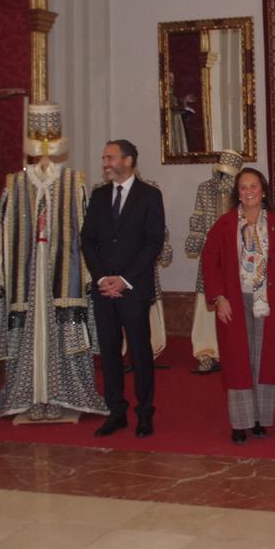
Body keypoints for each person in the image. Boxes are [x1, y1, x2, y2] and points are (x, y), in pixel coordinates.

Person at [0, 102, 108, 421]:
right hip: (26, 272)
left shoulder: (73, 181)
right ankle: (30, 394)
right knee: (30, 331)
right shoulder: (16, 184)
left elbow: (83, 229)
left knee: (61, 329)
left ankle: (62, 393)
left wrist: (86, 270)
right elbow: (3, 230)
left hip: (62, 271)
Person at [201, 168, 275, 443]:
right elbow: (210, 262)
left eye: (253, 186)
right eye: (243, 187)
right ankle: (240, 422)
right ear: (238, 193)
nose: (248, 191)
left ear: (262, 190)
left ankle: (261, 419)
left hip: (268, 302)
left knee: (264, 360)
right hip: (234, 299)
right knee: (238, 360)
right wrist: (219, 298)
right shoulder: (225, 224)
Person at [81, 140, 166, 438]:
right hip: (104, 290)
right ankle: (116, 411)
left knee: (140, 353)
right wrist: (103, 278)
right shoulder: (99, 195)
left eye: (110, 157)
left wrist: (125, 279)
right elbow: (87, 240)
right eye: (104, 157)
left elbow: (153, 242)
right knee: (109, 352)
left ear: (128, 160)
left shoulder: (150, 196)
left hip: (134, 289)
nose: (105, 163)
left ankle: (145, 413)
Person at [184, 150, 245, 373]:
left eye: (228, 175)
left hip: (238, 260)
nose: (223, 179)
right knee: (206, 304)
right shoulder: (205, 188)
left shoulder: (243, 192)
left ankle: (232, 353)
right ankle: (206, 353)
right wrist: (195, 240)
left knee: (235, 306)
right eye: (221, 174)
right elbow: (198, 219)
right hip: (210, 259)